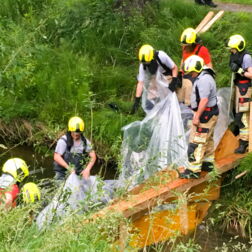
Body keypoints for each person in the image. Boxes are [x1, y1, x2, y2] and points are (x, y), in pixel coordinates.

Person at [179, 55, 219, 179]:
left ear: (197, 69)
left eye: (191, 72)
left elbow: (204, 100)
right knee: (208, 138)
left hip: (205, 114)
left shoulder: (203, 80)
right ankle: (207, 163)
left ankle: (193, 170)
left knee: (196, 142)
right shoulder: (205, 75)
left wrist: (196, 117)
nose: (191, 75)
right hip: (210, 113)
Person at [131, 44, 179, 114]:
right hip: (155, 78)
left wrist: (174, 82)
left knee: (166, 93)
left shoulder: (161, 56)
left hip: (167, 76)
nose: (146, 64)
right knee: (151, 93)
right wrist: (137, 101)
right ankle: (153, 111)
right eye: (145, 63)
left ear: (153, 57)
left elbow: (174, 68)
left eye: (148, 62)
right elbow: (140, 83)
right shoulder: (143, 65)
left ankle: (168, 110)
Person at [227, 35, 252, 153]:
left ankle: (244, 142)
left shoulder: (246, 57)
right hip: (237, 86)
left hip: (245, 88)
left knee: (242, 116)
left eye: (233, 49)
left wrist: (240, 70)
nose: (231, 51)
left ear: (239, 47)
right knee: (236, 112)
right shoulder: (234, 55)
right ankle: (239, 134)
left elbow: (251, 75)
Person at [53, 116, 97, 180]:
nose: (76, 135)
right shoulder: (63, 141)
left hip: (77, 173)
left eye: (78, 133)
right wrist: (69, 168)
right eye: (74, 132)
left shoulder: (85, 142)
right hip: (62, 173)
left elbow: (93, 156)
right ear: (70, 130)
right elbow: (56, 157)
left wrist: (87, 169)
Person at [177, 28, 213, 106]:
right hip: (186, 75)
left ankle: (190, 109)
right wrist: (180, 72)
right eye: (184, 45)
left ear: (193, 44)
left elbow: (209, 67)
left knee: (188, 90)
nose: (185, 47)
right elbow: (183, 60)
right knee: (178, 90)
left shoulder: (202, 50)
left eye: (187, 45)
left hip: (196, 76)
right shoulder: (185, 48)